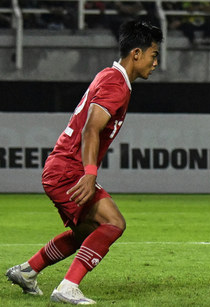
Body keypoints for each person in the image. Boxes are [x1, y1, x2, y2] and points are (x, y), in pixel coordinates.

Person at [5, 20, 163, 305]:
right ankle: (68, 286)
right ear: (136, 53)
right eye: (153, 55)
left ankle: (28, 271)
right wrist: (89, 173)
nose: (155, 63)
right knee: (113, 223)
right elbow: (91, 129)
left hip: (61, 167)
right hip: (69, 169)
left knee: (87, 232)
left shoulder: (109, 75)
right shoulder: (116, 84)